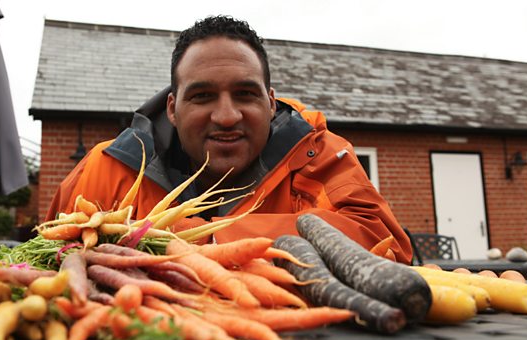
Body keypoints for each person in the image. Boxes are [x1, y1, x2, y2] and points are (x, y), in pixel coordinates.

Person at [46, 15, 413, 263]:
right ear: (172, 108)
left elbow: (385, 244)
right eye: (202, 96)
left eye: (245, 94)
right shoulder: (106, 169)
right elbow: (43, 262)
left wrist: (201, 238)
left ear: (270, 103)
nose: (226, 117)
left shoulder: (316, 154)